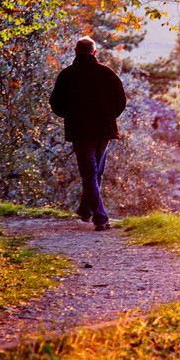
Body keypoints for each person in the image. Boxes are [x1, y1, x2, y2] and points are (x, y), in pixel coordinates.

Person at [50, 36, 127, 231]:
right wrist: (109, 117)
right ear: (95, 53)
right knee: (95, 173)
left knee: (91, 174)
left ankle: (99, 218)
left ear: (75, 52)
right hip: (105, 131)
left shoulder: (67, 75)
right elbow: (121, 102)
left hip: (81, 131)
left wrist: (70, 117)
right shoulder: (108, 73)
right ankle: (86, 210)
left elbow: (55, 104)